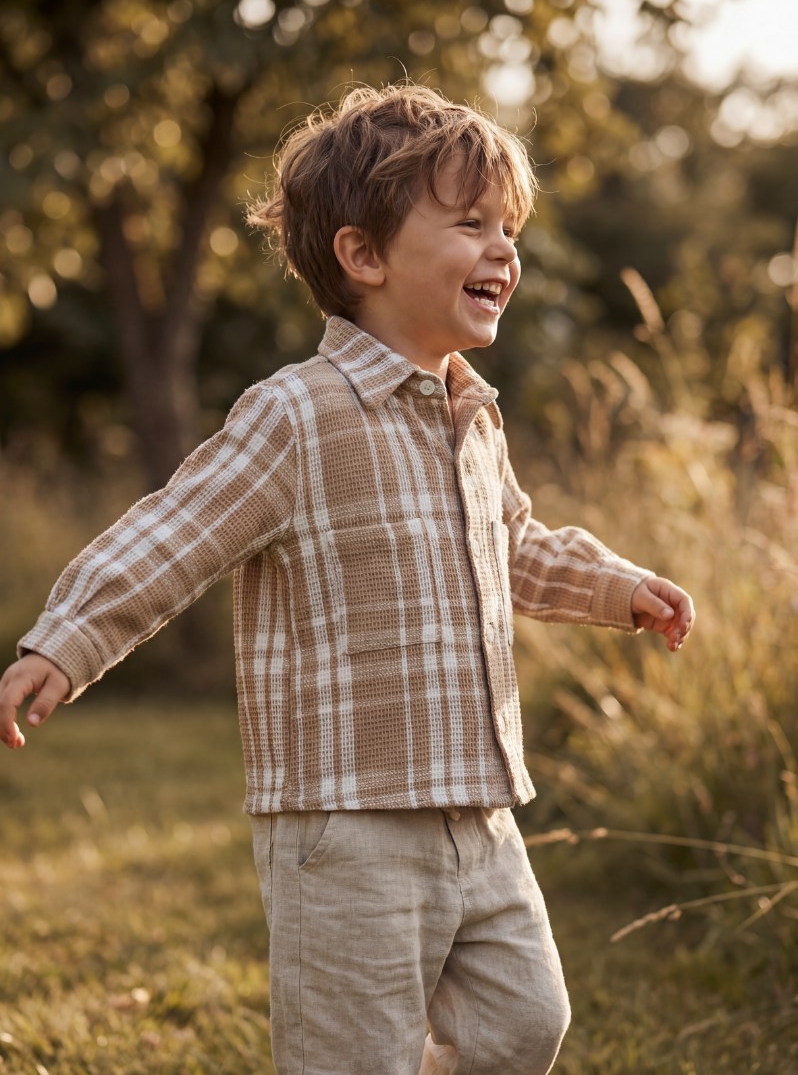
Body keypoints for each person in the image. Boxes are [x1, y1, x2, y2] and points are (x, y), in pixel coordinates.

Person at [0, 85, 694, 1075]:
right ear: (364, 256)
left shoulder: (471, 417)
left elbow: (516, 545)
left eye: (509, 227)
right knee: (352, 1058)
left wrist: (618, 586)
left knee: (526, 1022)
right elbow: (174, 534)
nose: (504, 250)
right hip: (344, 825)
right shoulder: (299, 415)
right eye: (469, 225)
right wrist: (65, 641)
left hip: (478, 812)